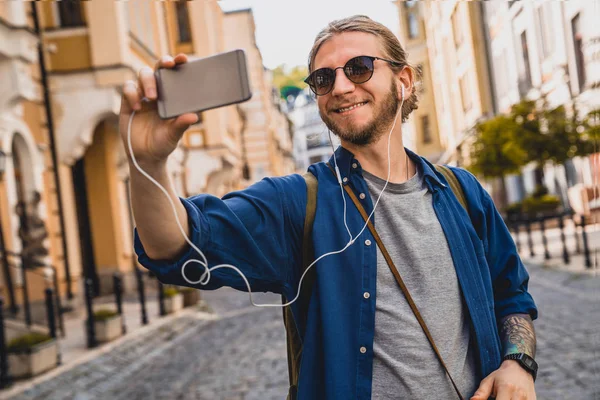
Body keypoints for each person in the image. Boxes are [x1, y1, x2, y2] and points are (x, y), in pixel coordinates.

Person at [120, 15, 538, 400]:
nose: (340, 87)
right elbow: (176, 245)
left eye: (358, 68)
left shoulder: (461, 191)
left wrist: (518, 363)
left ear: (403, 80)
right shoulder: (296, 203)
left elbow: (511, 294)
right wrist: (148, 162)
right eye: (323, 78)